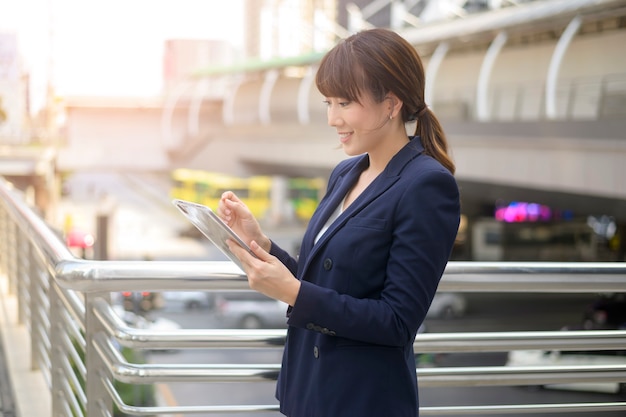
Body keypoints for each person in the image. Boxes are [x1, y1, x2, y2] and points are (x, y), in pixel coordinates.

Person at [218, 28, 460, 417]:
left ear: (391, 104)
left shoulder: (427, 185)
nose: (333, 118)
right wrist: (261, 243)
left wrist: (295, 294)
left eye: (345, 103)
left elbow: (397, 322)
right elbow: (322, 281)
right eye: (329, 102)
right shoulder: (345, 173)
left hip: (361, 400)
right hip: (306, 393)